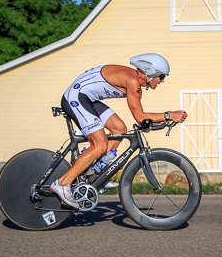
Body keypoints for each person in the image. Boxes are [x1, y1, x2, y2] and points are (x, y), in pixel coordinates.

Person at [50, 53, 188, 208]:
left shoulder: (136, 85)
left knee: (119, 129)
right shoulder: (132, 81)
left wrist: (161, 119)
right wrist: (169, 115)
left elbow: (141, 118)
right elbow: (140, 117)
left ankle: (95, 172)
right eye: (161, 77)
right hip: (76, 98)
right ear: (150, 72)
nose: (162, 81)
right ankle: (63, 183)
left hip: (88, 99)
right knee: (100, 145)